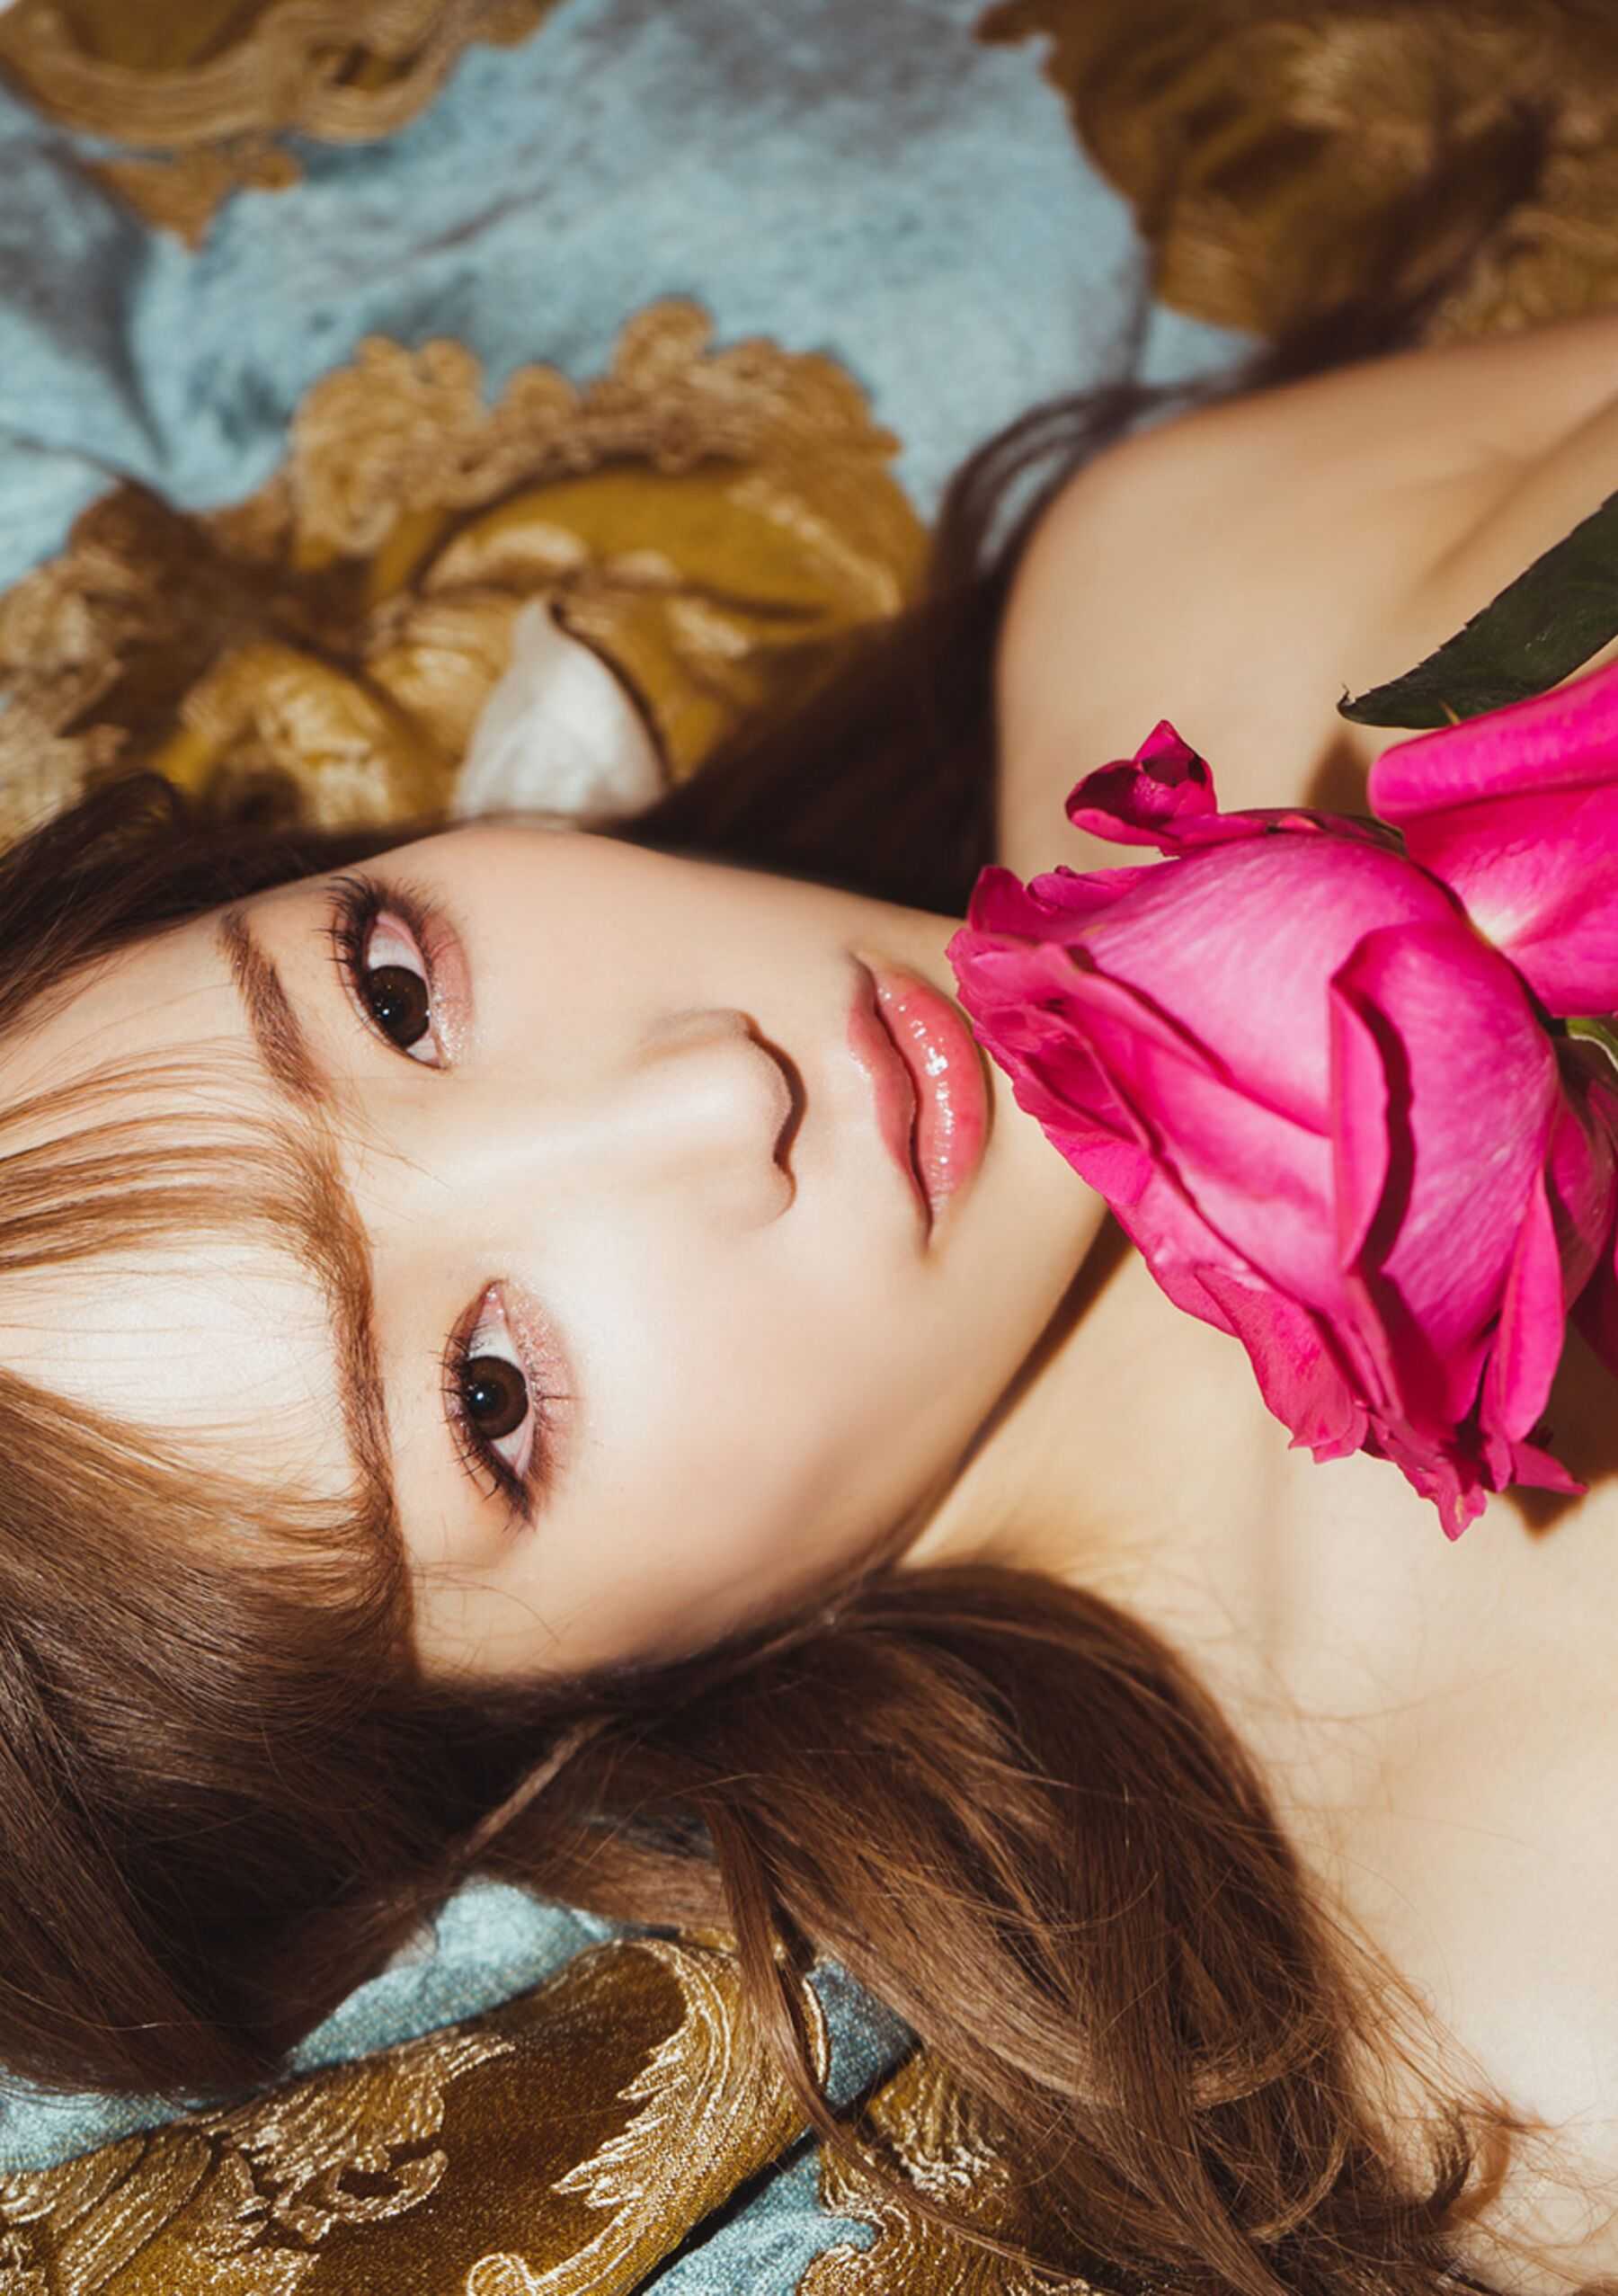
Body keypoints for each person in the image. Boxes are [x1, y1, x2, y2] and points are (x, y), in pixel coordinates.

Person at [4, 285, 1618, 2296]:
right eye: (488, 1398)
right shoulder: (1521, 1988)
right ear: (515, 1735)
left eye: (388, 987)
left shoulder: (1173, 566)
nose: (709, 1090)